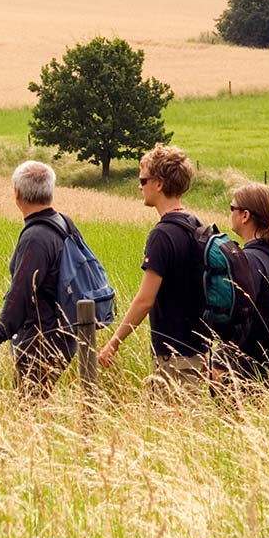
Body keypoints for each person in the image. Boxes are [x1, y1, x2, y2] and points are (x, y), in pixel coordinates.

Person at [96, 144, 210, 395]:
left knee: (172, 426)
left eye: (143, 180)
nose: (140, 186)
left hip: (173, 354)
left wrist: (114, 342)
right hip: (200, 350)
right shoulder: (196, 224)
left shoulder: (162, 235)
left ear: (159, 184)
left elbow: (145, 300)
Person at [0, 160, 77, 397]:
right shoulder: (64, 223)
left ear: (17, 194)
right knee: (39, 407)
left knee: (29, 412)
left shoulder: (35, 237)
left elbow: (20, 294)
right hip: (66, 335)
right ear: (50, 191)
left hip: (42, 341)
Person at [226, 182, 269, 385]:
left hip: (250, 364)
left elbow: (241, 312)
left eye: (232, 208)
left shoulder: (251, 258)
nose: (230, 213)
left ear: (245, 215)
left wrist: (222, 357)